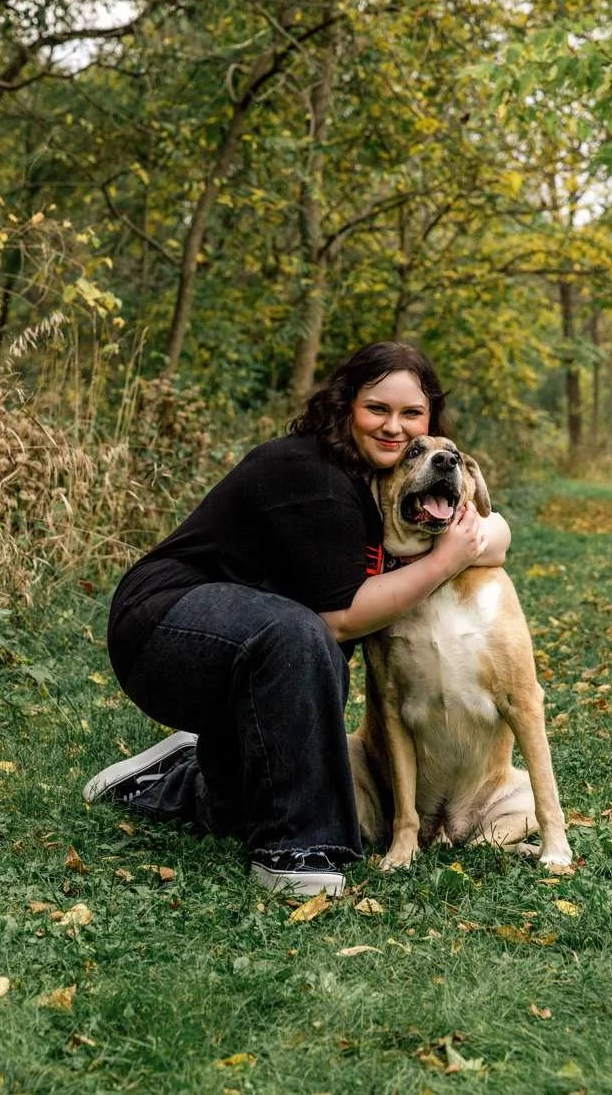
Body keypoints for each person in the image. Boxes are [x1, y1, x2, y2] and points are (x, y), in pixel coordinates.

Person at [83, 342, 512, 896]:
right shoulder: (313, 476)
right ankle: (298, 847)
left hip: (254, 654)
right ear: (343, 406)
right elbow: (340, 618)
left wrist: (480, 537)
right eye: (377, 409)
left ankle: (183, 777)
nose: (395, 427)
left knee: (243, 804)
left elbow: (489, 533)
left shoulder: (386, 483)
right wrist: (446, 560)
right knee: (306, 634)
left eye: (412, 414)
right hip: (164, 627)